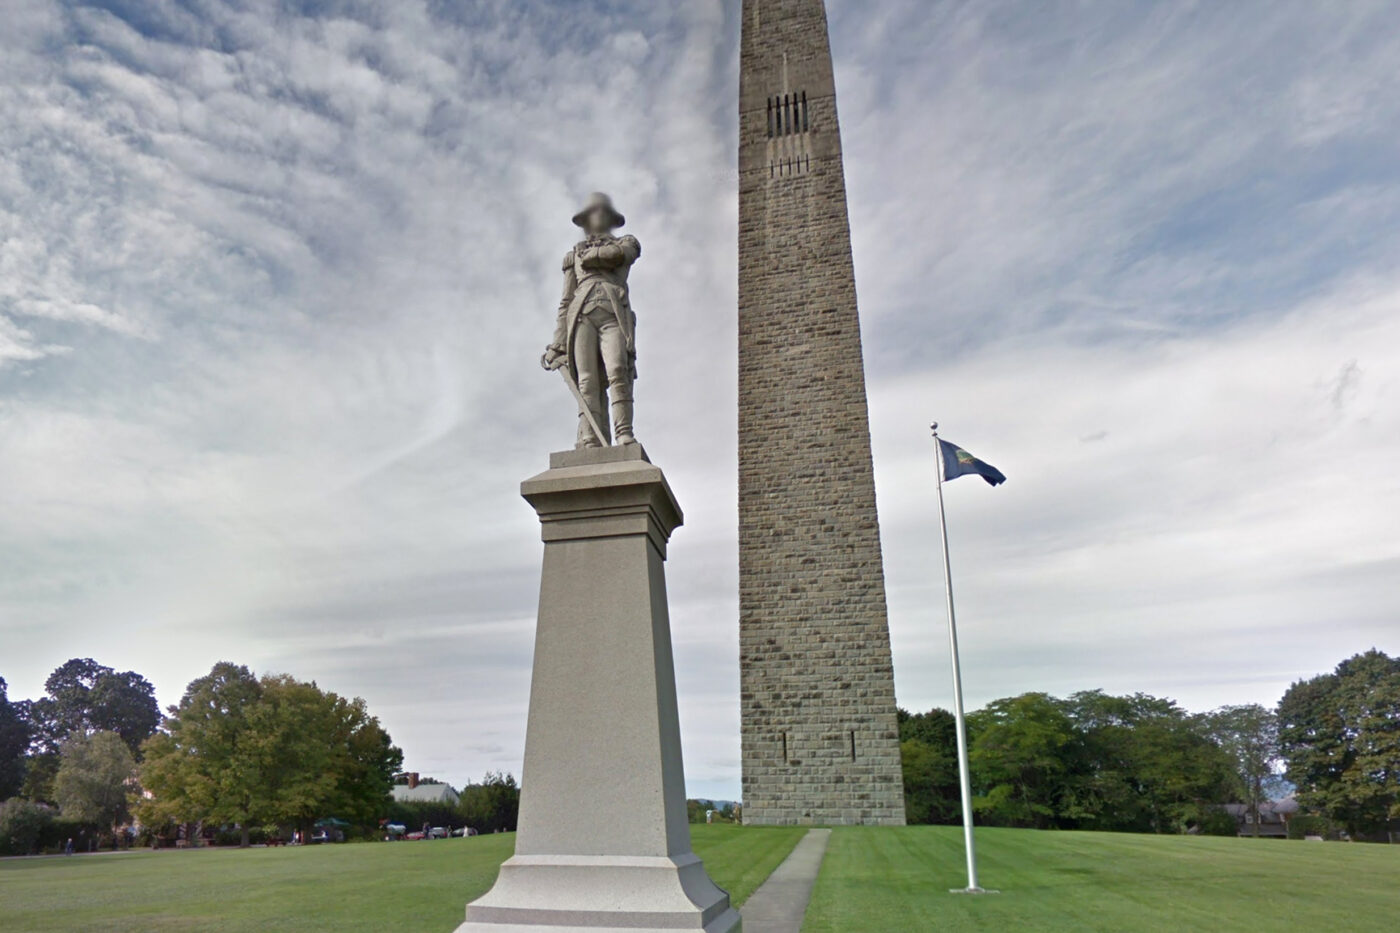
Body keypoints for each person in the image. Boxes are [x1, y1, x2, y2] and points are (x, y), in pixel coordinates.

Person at [542, 192, 641, 448]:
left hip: (613, 314)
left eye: (601, 211)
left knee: (618, 370)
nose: (597, 216)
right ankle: (591, 438)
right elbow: (565, 302)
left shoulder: (626, 243)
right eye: (592, 212)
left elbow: (619, 255)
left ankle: (624, 432)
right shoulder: (572, 256)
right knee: (587, 381)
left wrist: (588, 256)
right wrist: (557, 344)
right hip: (581, 316)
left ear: (609, 216)